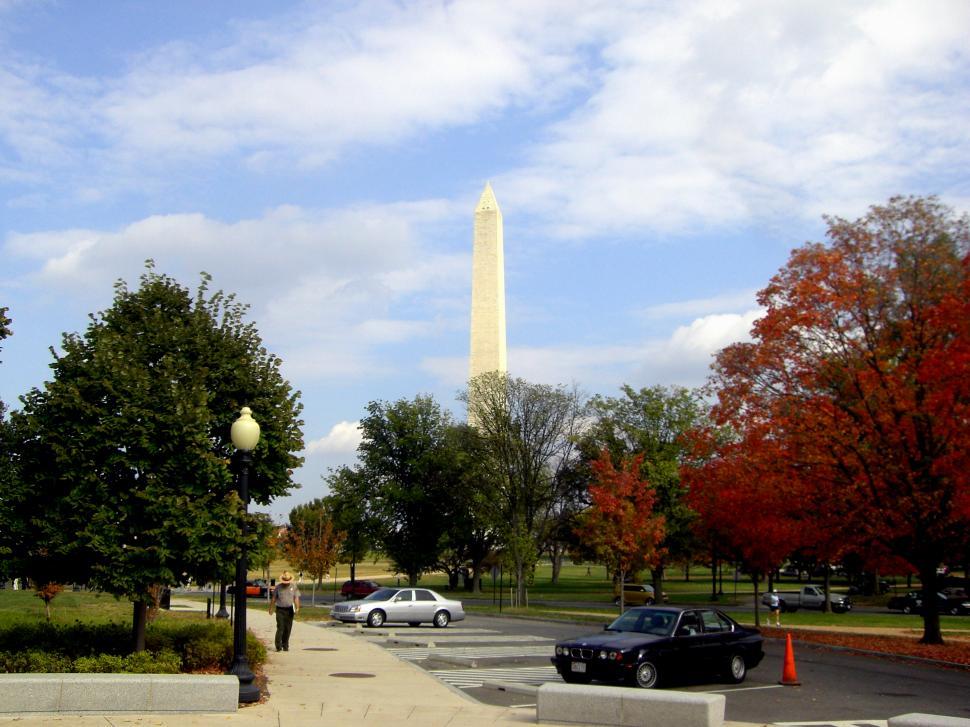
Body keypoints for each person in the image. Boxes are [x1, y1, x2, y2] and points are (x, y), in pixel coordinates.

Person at [269, 571, 301, 652]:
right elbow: (274, 598)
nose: (286, 583)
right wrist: (271, 608)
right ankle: (278, 646)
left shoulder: (294, 587)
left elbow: (296, 598)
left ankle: (285, 645)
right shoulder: (278, 587)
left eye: (287, 581)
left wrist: (297, 608)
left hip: (290, 610)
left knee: (288, 628)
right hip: (280, 610)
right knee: (280, 627)